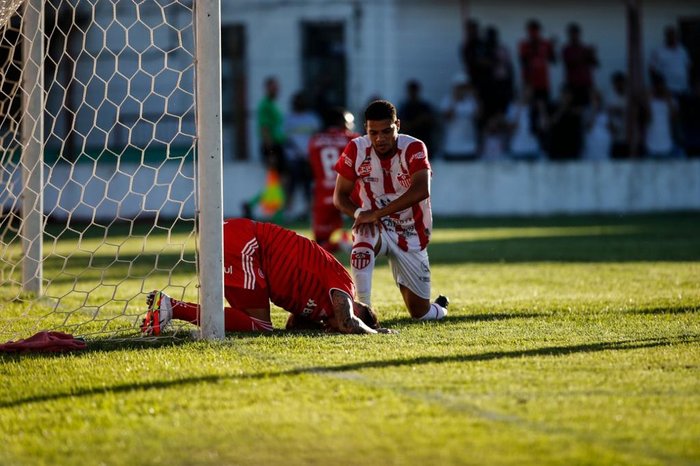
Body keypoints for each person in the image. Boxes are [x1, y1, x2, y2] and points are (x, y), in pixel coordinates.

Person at [141, 218, 393, 336]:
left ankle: (168, 308)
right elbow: (348, 322)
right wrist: (377, 333)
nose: (335, 328)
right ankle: (171, 307)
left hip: (241, 244)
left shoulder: (321, 312)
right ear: (359, 309)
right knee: (260, 327)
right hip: (247, 245)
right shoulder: (344, 289)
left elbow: (293, 325)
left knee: (252, 322)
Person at [333, 100, 449, 321]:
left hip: (411, 232)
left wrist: (375, 213)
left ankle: (440, 307)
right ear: (365, 129)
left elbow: (421, 190)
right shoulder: (356, 149)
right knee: (362, 236)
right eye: (373, 132)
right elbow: (339, 196)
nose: (380, 138)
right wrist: (360, 214)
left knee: (420, 314)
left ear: (398, 124)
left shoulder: (414, 147)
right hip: (376, 226)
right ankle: (362, 311)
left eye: (387, 131)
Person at [308, 107, 360, 252]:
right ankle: (349, 245)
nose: (351, 126)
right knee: (370, 230)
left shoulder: (315, 140)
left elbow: (312, 164)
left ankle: (337, 245)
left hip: (323, 194)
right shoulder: (352, 138)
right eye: (350, 122)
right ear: (341, 122)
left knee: (320, 244)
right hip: (350, 194)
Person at [283, 91, 321, 219]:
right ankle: (288, 211)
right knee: (291, 186)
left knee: (308, 186)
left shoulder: (312, 118)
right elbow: (285, 139)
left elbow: (316, 137)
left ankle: (308, 211)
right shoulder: (288, 118)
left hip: (308, 158)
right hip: (293, 158)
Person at [439, 74, 480, 160]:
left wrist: (475, 96)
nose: (462, 90)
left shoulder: (471, 101)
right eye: (460, 87)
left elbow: (478, 116)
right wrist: (455, 100)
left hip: (469, 147)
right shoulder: (448, 100)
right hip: (451, 147)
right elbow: (447, 117)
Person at [561, 22, 598, 107]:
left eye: (576, 33)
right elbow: (570, 64)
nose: (574, 36)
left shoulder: (585, 48)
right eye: (572, 34)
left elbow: (595, 64)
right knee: (573, 109)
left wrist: (593, 54)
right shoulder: (567, 49)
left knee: (586, 108)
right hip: (572, 85)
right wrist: (585, 55)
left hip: (586, 84)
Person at [398, 80, 436, 150]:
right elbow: (402, 125)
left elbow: (432, 122)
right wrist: (418, 121)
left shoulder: (425, 107)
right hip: (408, 145)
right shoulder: (404, 107)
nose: (412, 93)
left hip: (424, 142)